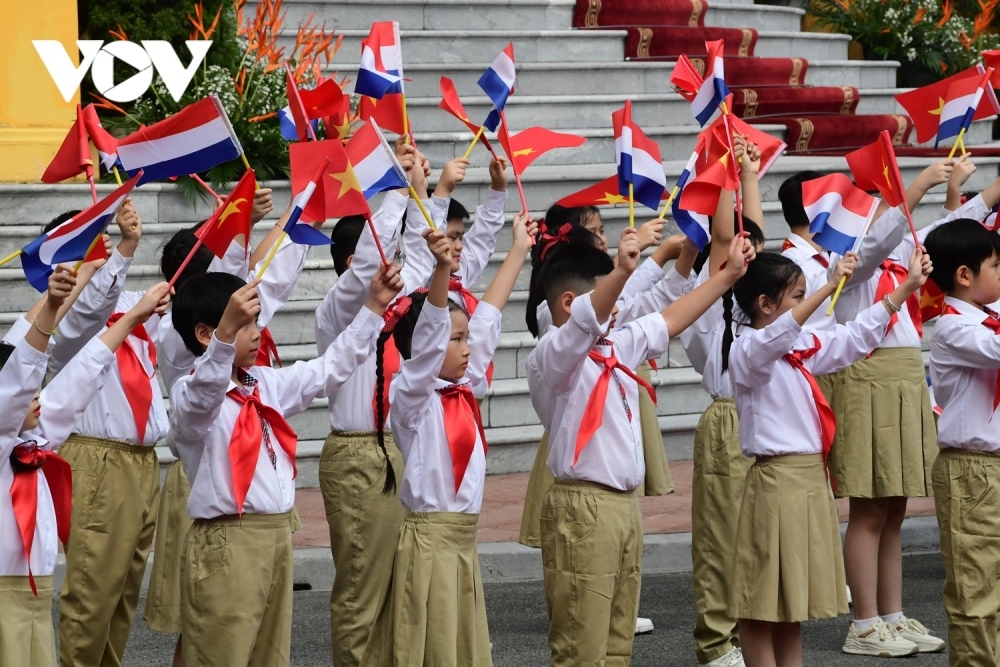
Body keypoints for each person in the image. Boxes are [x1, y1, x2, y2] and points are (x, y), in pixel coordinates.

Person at [527, 222, 754, 665]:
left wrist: (726, 276)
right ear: (570, 304)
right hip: (583, 506)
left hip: (623, 506)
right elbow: (588, 322)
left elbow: (670, 318)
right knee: (580, 643)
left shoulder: (615, 343)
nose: (617, 309)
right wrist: (621, 271)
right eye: (608, 299)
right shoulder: (551, 355)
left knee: (616, 643)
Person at [168, 259, 403, 667]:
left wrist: (373, 307)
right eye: (244, 325)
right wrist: (226, 336)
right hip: (228, 541)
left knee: (270, 655)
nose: (257, 333)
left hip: (276, 536)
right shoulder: (192, 394)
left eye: (255, 321)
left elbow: (328, 369)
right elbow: (207, 389)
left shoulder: (263, 382)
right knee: (221, 653)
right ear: (205, 334)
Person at [727, 248, 930, 667]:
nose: (804, 305)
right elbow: (777, 337)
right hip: (777, 482)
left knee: (791, 599)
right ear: (765, 304)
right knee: (761, 598)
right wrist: (828, 287)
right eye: (796, 296)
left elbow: (852, 338)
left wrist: (905, 289)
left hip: (807, 482)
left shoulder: (796, 347)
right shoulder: (748, 351)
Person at [832, 160, 1000, 656]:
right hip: (869, 380)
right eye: (875, 199)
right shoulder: (848, 261)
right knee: (870, 505)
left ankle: (891, 612)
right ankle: (864, 622)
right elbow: (878, 241)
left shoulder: (902, 252)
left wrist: (986, 192)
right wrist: (920, 184)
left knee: (896, 506)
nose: (888, 208)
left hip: (904, 380)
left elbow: (951, 234)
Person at [360, 212, 537, 666]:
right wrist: (441, 271)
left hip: (462, 546)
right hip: (430, 546)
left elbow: (488, 319)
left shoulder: (461, 386)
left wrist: (518, 249)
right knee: (430, 651)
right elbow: (432, 337)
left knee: (461, 652)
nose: (465, 348)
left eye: (464, 339)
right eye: (454, 340)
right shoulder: (413, 396)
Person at [0, 267, 170, 666]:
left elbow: (82, 374)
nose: (36, 395)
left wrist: (129, 319)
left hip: (33, 599)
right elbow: (17, 366)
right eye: (25, 395)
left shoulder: (35, 436)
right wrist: (51, 310)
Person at [314, 145, 444, 666]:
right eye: (377, 254)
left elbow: (413, 260)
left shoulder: (393, 305)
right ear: (353, 265)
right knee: (362, 588)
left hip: (395, 446)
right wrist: (393, 194)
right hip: (357, 455)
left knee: (397, 585)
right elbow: (375, 259)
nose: (392, 269)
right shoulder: (338, 309)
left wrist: (417, 194)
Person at [924, 219, 1000, 666]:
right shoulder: (953, 327)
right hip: (973, 471)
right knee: (976, 594)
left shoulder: (988, 315)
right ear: (964, 275)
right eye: (996, 264)